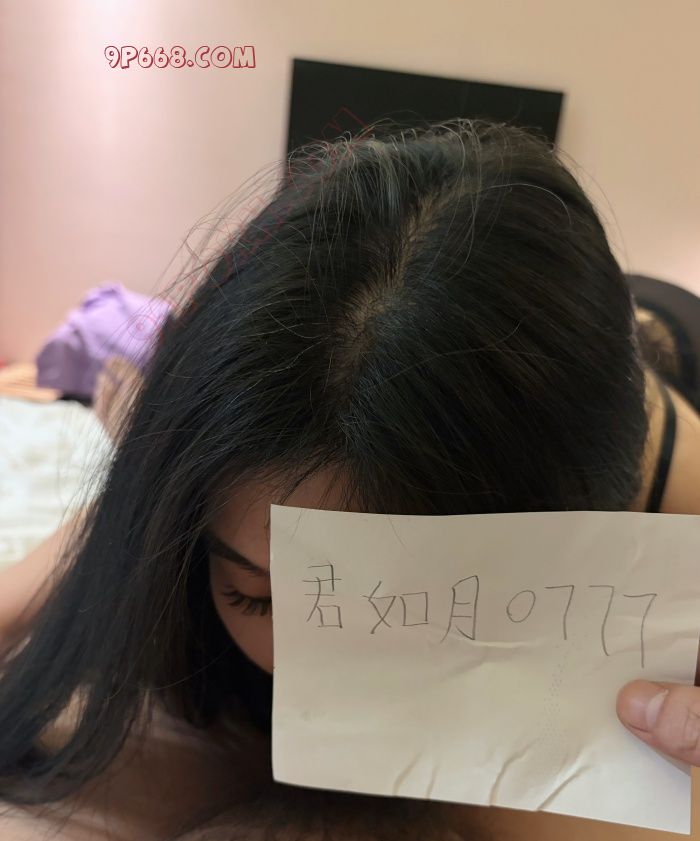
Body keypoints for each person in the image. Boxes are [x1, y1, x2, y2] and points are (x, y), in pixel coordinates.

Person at [1, 118, 700, 841]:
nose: (318, 673)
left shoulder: (664, 528)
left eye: (412, 615)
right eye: (256, 593)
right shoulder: (203, 486)